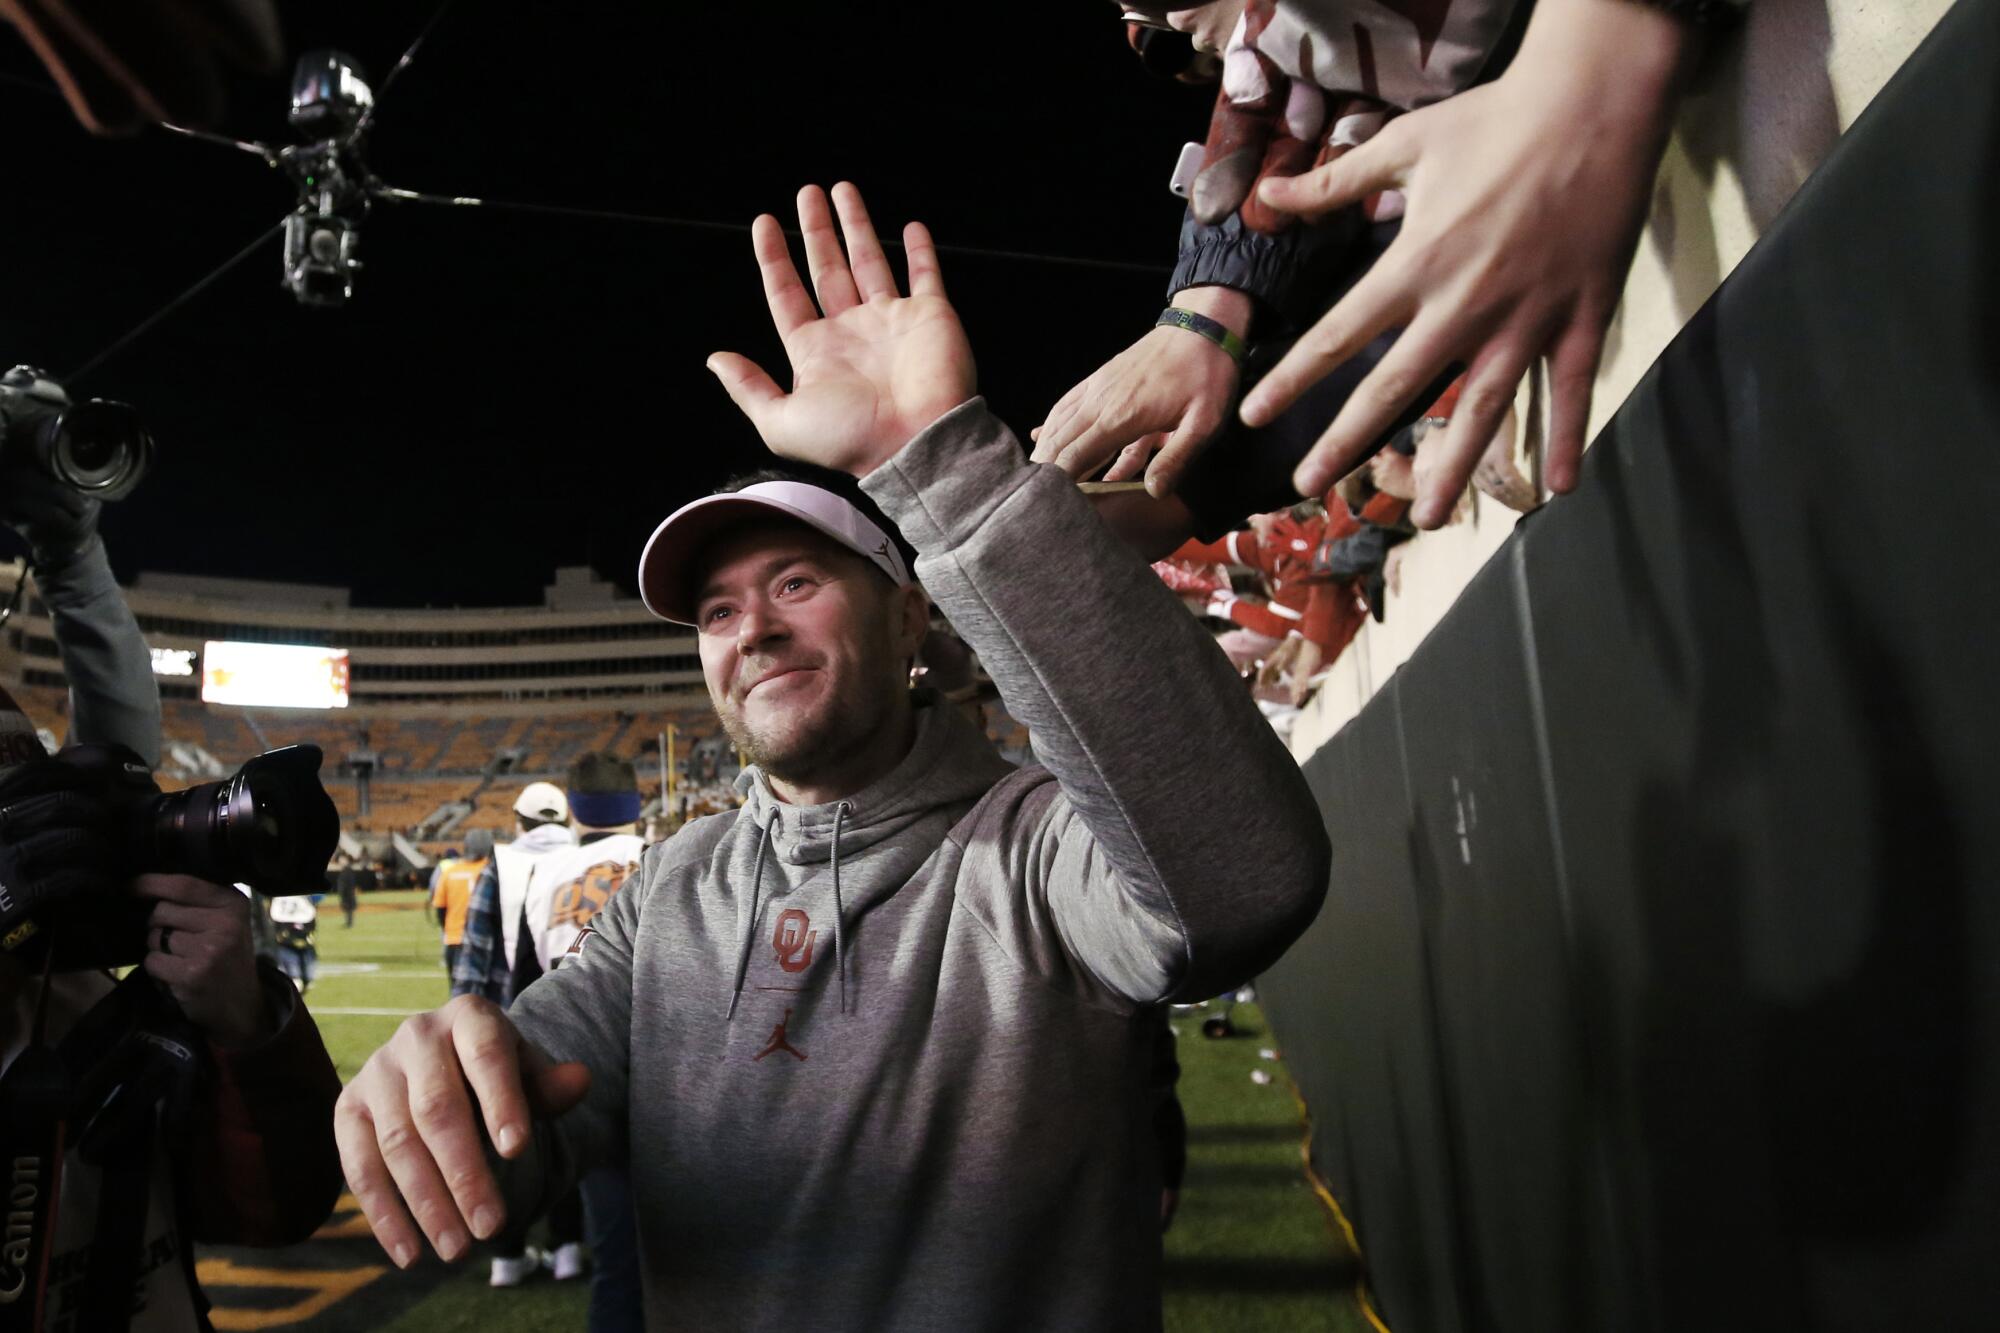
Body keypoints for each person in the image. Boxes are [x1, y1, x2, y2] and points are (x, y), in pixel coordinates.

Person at [334, 181, 1329, 1329]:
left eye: (794, 584)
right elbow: (535, 1125)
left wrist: (937, 460)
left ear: (909, 619)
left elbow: (1244, 883)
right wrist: (452, 1096)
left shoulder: (1037, 852)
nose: (749, 627)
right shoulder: (666, 889)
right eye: (714, 611)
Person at [1040, 0, 1742, 542]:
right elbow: (1291, 145)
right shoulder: (1297, 50)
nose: (1178, 30)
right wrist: (1204, 323)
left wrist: (1594, 57)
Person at [519, 753, 647, 1329]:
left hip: (580, 1069)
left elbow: (527, 990)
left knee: (616, 1267)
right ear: (638, 805)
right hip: (671, 1071)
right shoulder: (665, 858)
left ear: (572, 809)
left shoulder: (543, 875)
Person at [448, 783, 581, 1288]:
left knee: (507, 1137)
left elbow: (475, 956)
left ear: (519, 821)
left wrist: (463, 1026)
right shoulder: (582, 859)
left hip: (506, 1021)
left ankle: (508, 1254)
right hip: (573, 1017)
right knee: (567, 1133)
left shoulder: (499, 864)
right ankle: (568, 1246)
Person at [432, 832, 492, 982]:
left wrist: (449, 929)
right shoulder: (492, 871)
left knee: (459, 998)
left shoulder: (450, 872)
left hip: (454, 939)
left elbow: (440, 909)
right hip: (485, 940)